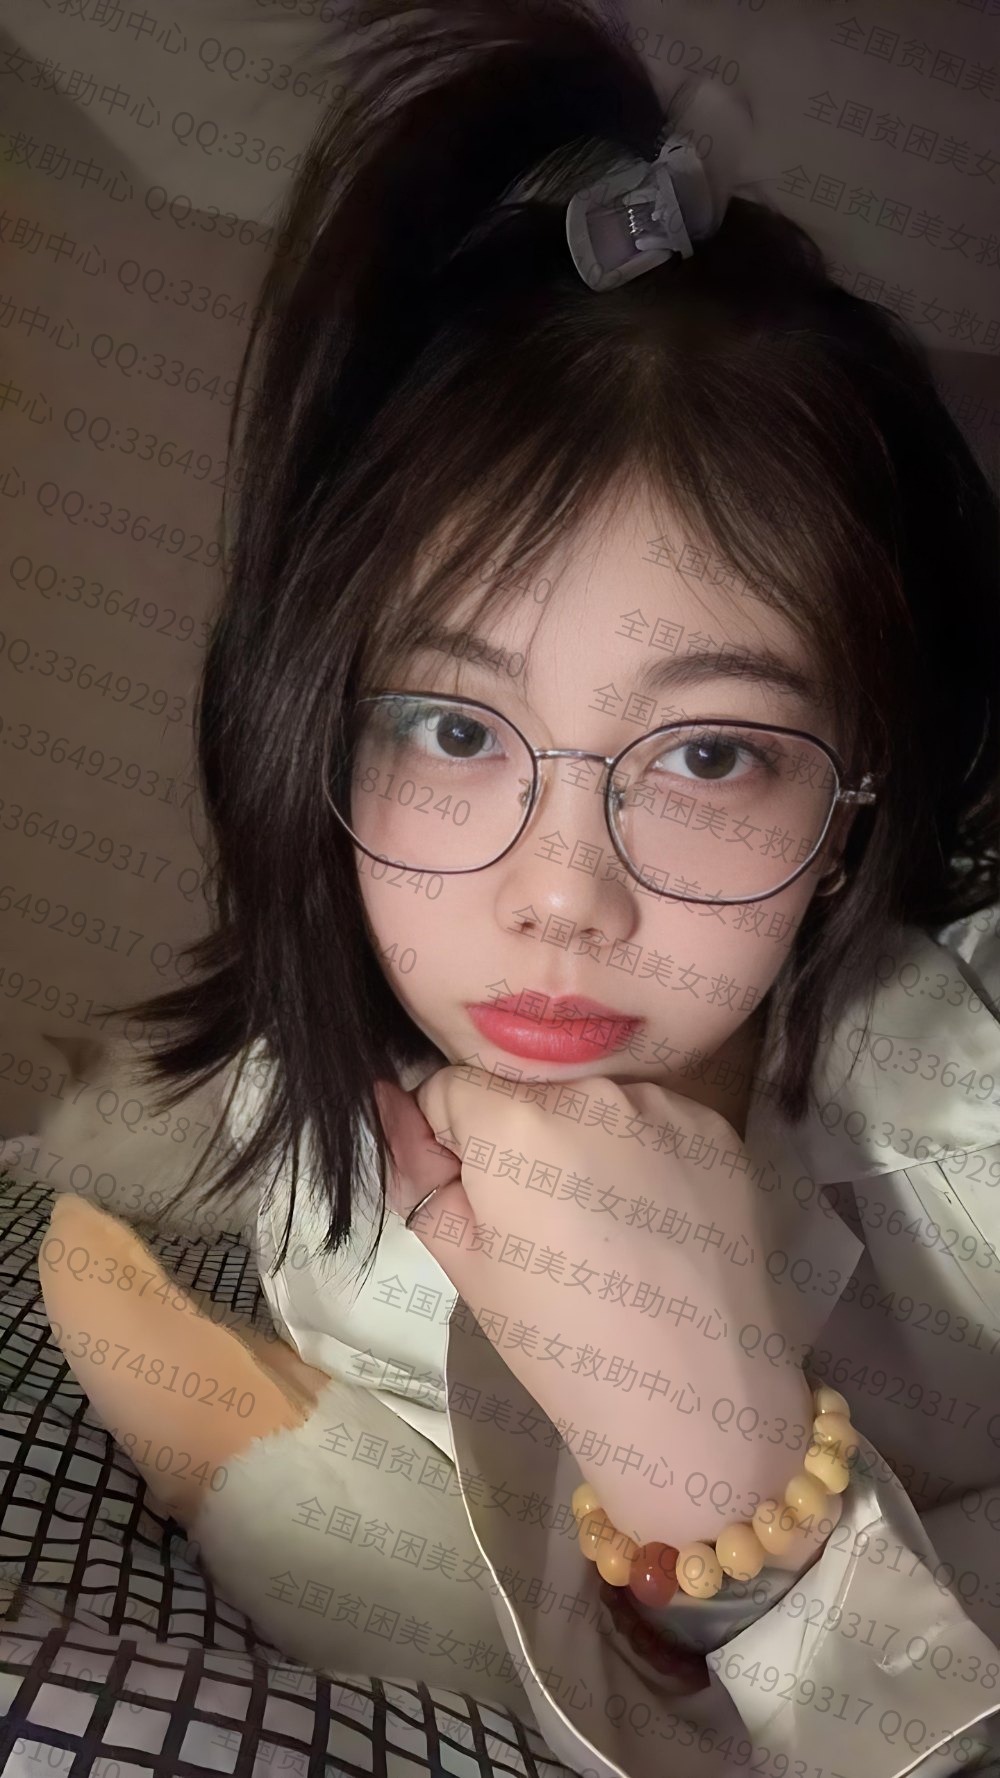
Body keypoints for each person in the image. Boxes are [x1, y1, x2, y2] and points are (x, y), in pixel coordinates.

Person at [36, 0, 1000, 1771]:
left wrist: (743, 1497)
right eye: (451, 727)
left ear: (857, 789)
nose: (562, 896)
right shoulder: (326, 1166)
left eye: (710, 755)